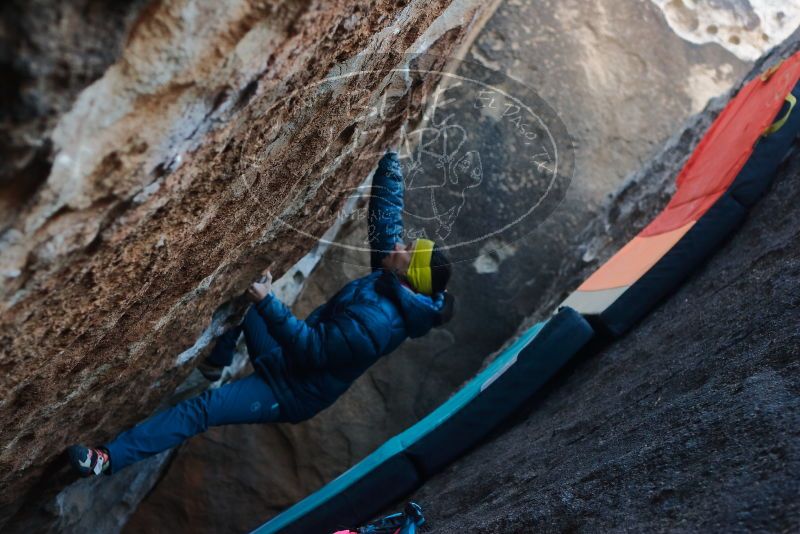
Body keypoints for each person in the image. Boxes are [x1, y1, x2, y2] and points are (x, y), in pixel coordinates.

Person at [67, 151, 454, 476]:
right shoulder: (392, 280)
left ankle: (105, 460)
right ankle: (214, 366)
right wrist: (389, 158)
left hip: (287, 391)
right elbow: (386, 218)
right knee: (241, 296)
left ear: (409, 273)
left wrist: (268, 302)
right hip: (285, 356)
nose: (400, 244)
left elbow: (313, 350)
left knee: (203, 410)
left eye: (407, 251)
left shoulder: (377, 323)